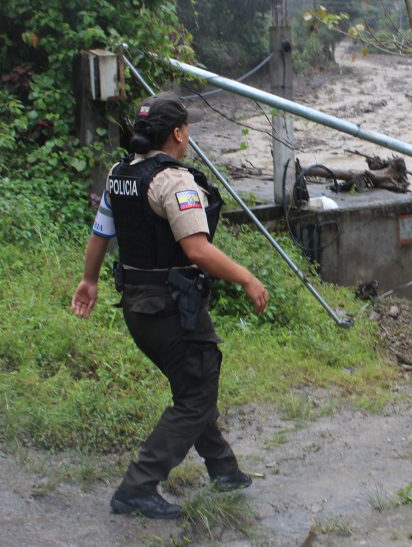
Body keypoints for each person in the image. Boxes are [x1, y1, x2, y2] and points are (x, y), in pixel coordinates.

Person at [71, 93, 269, 520]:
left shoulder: (120, 174)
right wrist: (247, 278)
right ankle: (137, 486)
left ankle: (225, 470)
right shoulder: (174, 182)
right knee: (196, 393)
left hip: (138, 310)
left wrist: (89, 281)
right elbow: (197, 250)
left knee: (192, 385)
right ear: (178, 133)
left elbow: (100, 233)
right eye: (187, 129)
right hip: (171, 309)